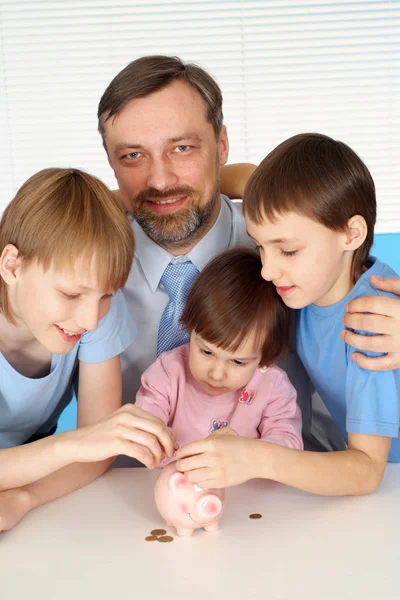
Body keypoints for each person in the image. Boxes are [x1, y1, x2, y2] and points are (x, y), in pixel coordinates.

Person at [175, 132, 399, 495]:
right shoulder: (310, 285)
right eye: (261, 247)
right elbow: (239, 178)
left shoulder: (372, 325)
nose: (267, 270)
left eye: (289, 251)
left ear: (351, 234)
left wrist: (255, 458)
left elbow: (368, 470)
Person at [0, 168, 176, 531]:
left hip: (32, 459)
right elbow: (89, 442)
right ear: (12, 266)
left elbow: (98, 451)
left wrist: (25, 496)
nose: (91, 321)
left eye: (106, 295)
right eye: (70, 294)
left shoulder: (93, 311)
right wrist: (73, 444)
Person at [136, 247, 303, 481]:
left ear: (265, 357)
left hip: (249, 500)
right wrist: (154, 438)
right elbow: (143, 428)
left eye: (237, 361)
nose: (216, 373)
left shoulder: (272, 385)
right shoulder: (168, 371)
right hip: (175, 489)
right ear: (189, 328)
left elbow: (290, 445)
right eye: (206, 351)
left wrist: (252, 457)